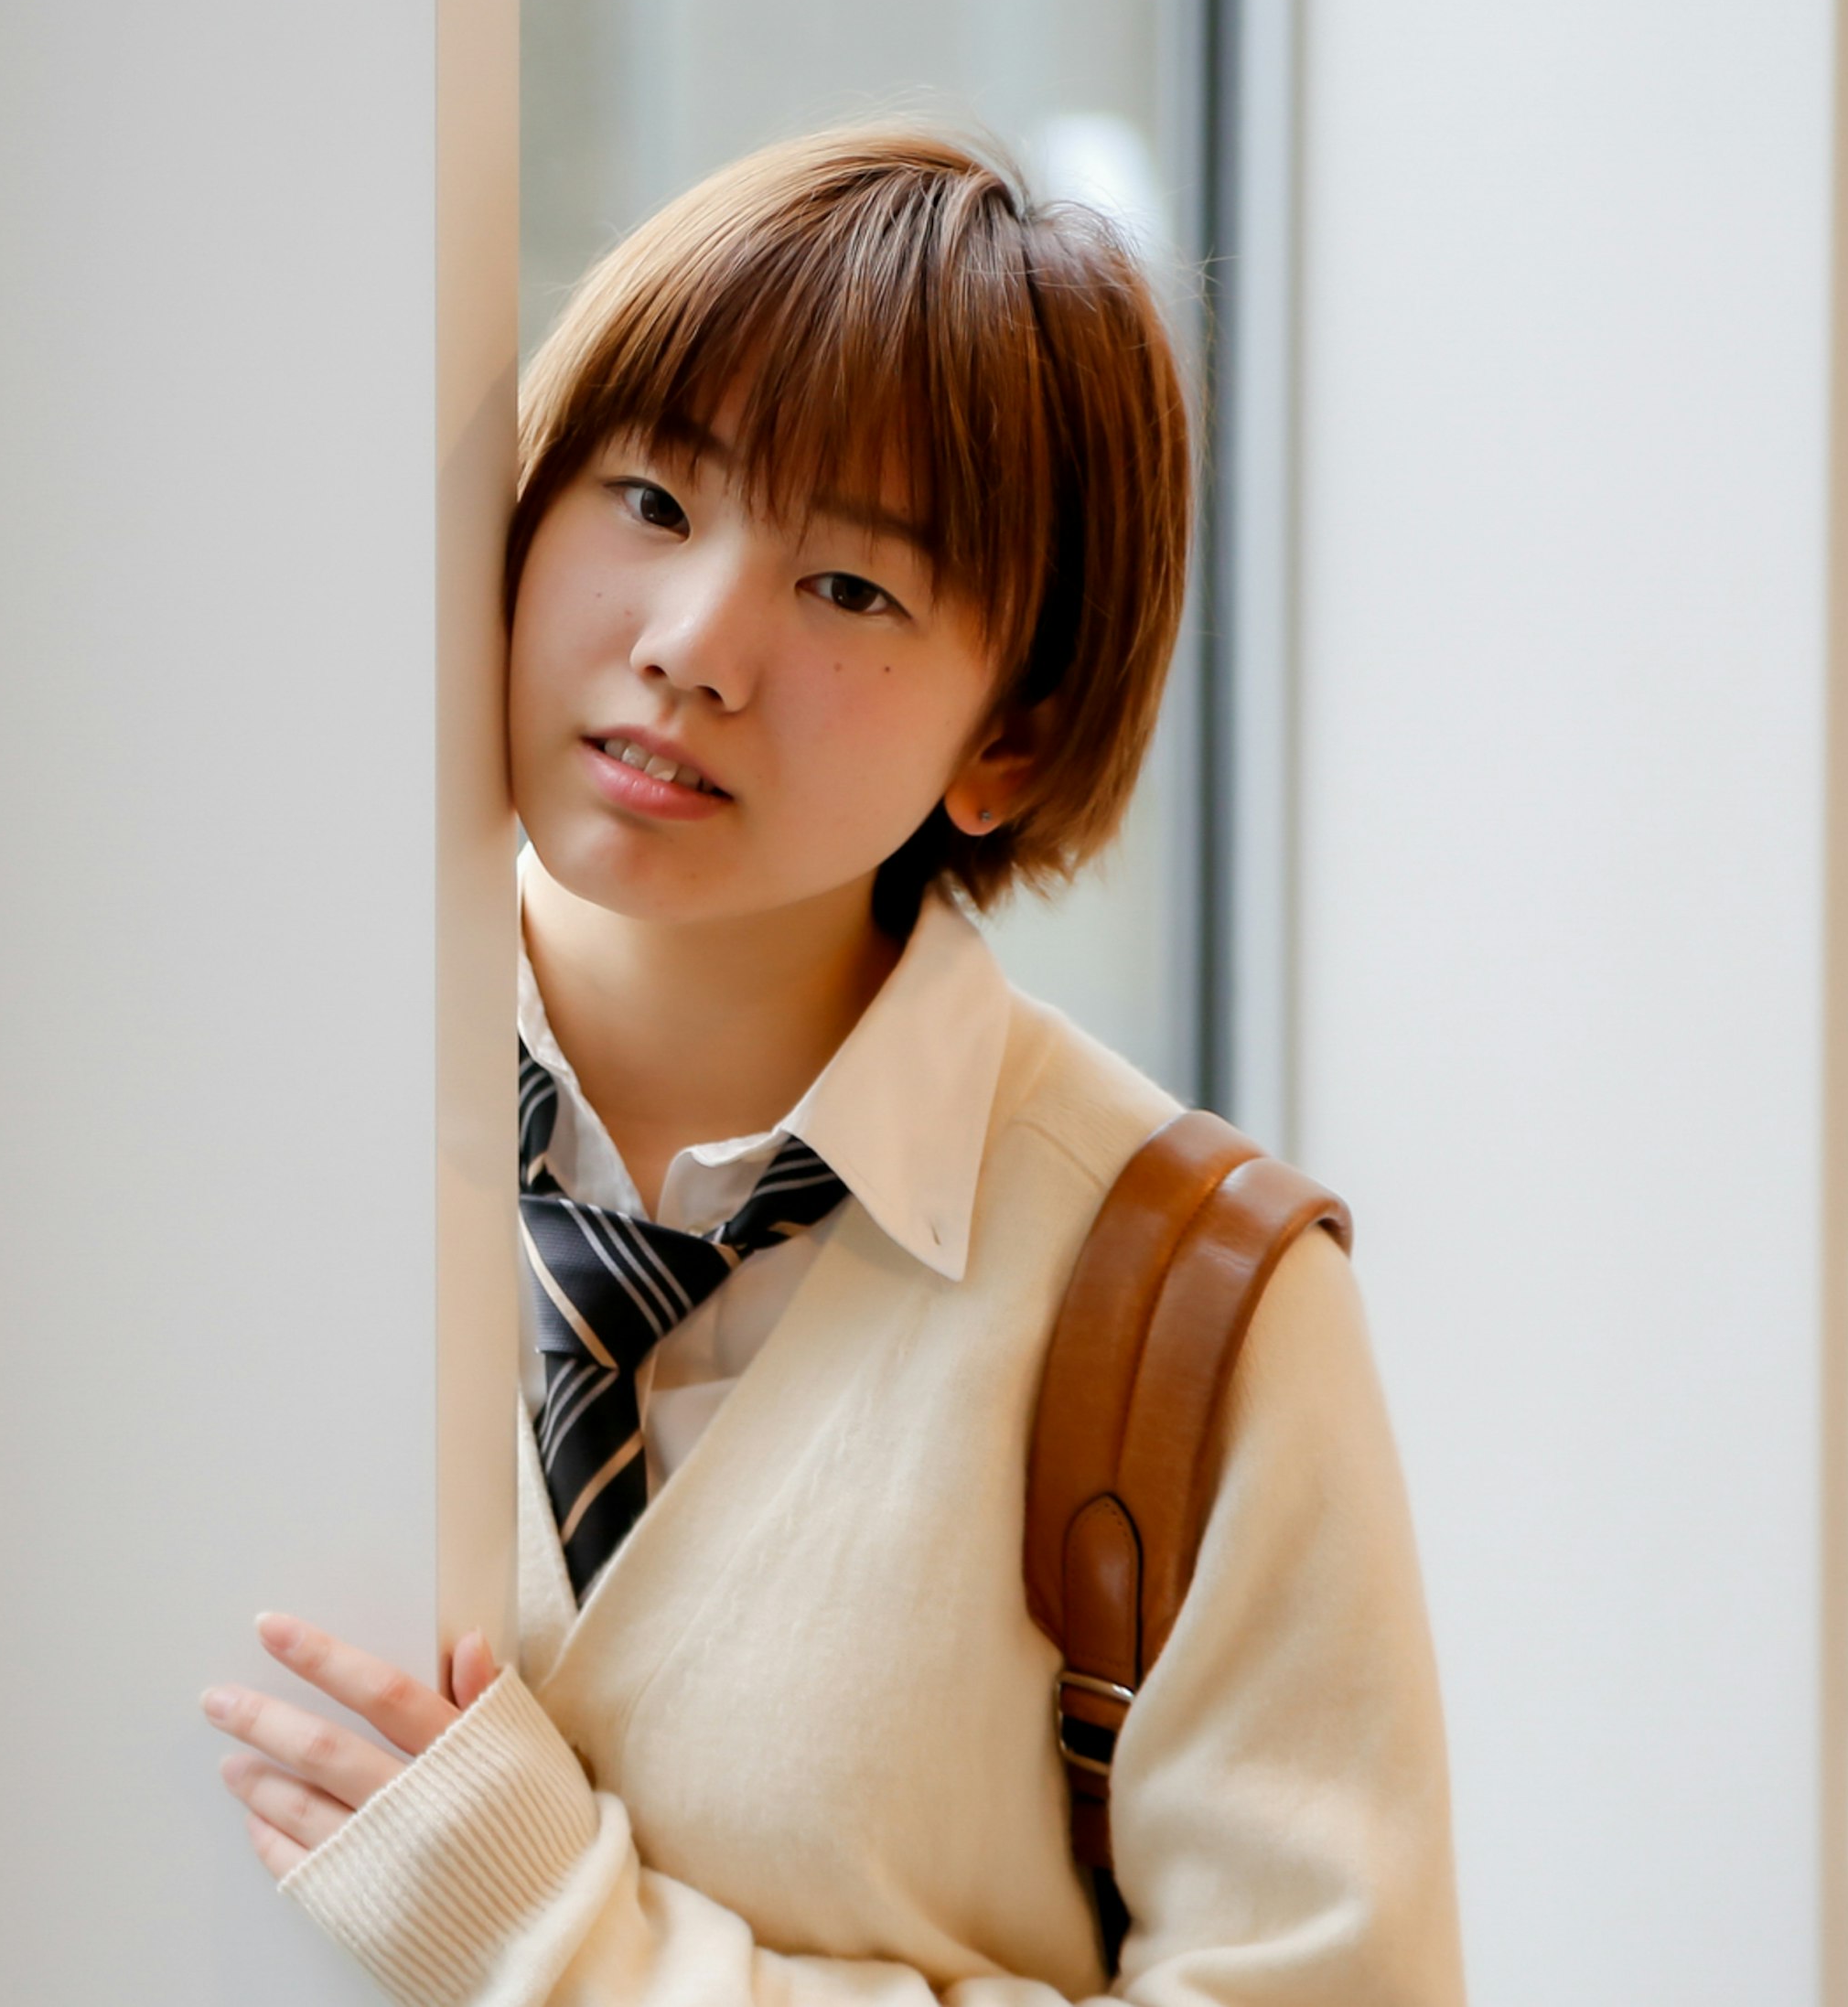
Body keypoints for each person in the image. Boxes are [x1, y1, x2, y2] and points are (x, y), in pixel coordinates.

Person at [196, 128, 1461, 2004]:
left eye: (852, 589)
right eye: (644, 495)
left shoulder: (1187, 1301)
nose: (693, 646)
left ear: (1010, 740)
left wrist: (566, 1947)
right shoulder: (220, 1113)